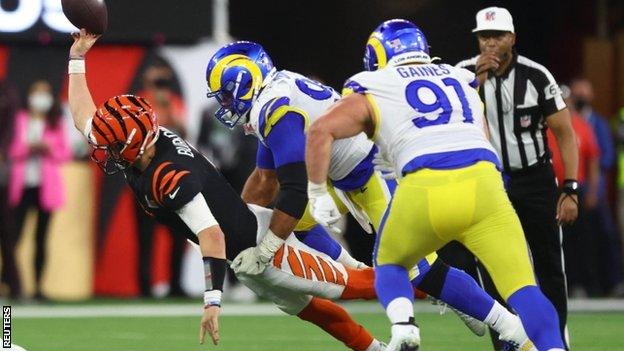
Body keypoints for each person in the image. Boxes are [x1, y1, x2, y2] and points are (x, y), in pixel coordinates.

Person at [68, 29, 389, 351]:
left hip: (259, 249)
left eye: (111, 146)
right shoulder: (146, 142)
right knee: (313, 311)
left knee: (356, 286)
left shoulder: (168, 176)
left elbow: (211, 235)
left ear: (132, 145)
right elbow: (85, 118)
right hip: (242, 247)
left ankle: (430, 284)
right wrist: (77, 59)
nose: (104, 150)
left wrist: (212, 302)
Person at [205, 41, 535, 350]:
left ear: (245, 82)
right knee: (300, 222)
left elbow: (292, 191)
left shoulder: (276, 108)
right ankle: (358, 268)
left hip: (377, 170)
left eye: (224, 96)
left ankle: (509, 326)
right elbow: (264, 179)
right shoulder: (271, 99)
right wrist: (235, 225)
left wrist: (265, 250)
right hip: (346, 176)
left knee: (419, 268)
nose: (224, 105)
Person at [304, 19, 565, 351]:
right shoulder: (460, 77)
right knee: (525, 289)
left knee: (391, 263)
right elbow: (480, 136)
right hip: (485, 186)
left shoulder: (374, 82)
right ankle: (550, 346)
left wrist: (315, 190)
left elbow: (320, 131)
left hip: (426, 185)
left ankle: (403, 328)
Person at [454, 7, 578, 349]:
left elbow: (566, 134)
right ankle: (506, 343)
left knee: (549, 263)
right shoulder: (461, 75)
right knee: (492, 263)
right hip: (487, 181)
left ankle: (556, 339)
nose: (490, 43)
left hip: (535, 179)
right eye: (484, 36)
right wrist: (475, 82)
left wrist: (570, 188)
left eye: (497, 36)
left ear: (513, 38)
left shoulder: (536, 76)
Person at [7, 79, 72, 300]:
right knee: (13, 237)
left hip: (46, 189)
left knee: (41, 239)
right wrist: (27, 148)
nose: (41, 97)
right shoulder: (18, 119)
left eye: (46, 92)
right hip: (21, 187)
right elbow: (10, 149)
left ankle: (38, 288)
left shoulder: (55, 121)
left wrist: (48, 148)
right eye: (38, 92)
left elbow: (65, 154)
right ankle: (11, 284)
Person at [134, 60, 189, 297]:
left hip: (171, 176)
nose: (160, 86)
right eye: (157, 81)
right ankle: (144, 286)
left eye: (163, 81)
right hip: (144, 176)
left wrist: (168, 108)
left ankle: (175, 284)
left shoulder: (173, 102)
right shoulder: (139, 102)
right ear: (147, 80)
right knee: (145, 235)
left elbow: (184, 132)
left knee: (179, 233)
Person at [569, 78, 624, 296]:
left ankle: (612, 283)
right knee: (575, 240)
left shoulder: (598, 123)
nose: (580, 97)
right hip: (571, 188)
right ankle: (578, 284)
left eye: (584, 92)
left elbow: (605, 157)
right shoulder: (566, 121)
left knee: (605, 236)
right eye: (577, 93)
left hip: (593, 190)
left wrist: (593, 188)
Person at [547, 87, 600, 297]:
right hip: (552, 189)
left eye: (565, 98)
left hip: (577, 190)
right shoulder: (546, 124)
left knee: (581, 241)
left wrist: (593, 190)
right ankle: (557, 285)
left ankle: (582, 285)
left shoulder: (582, 125)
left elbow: (593, 158)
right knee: (554, 240)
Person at [0, 80, 20, 299]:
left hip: (2, 173)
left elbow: (11, 129)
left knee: (6, 231)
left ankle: (12, 285)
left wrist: (3, 151)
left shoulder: (6, 91)